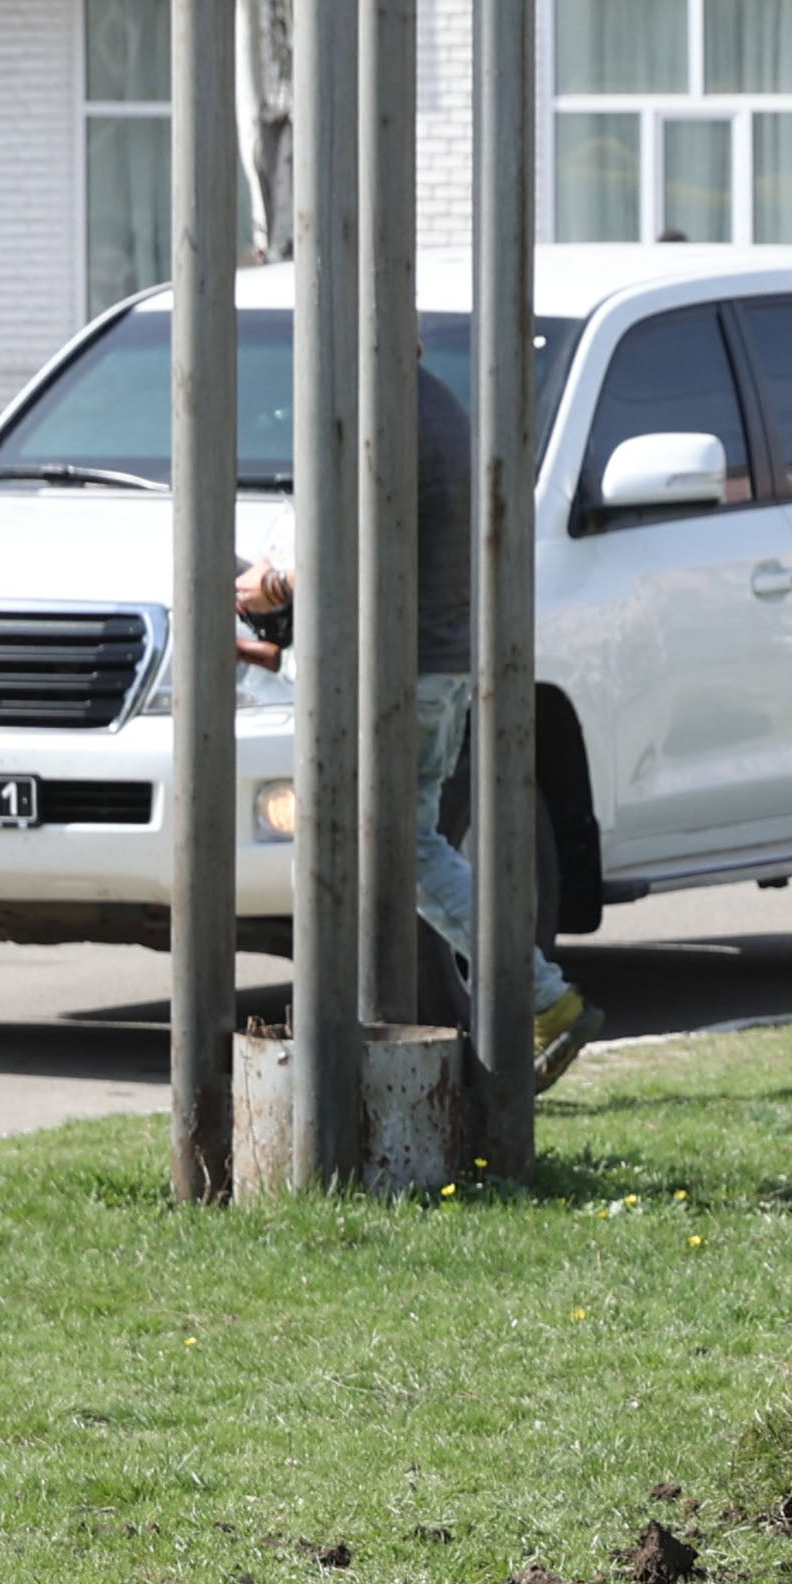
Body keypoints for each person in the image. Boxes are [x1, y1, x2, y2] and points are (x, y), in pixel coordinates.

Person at [231, 365, 603, 1090]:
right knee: (400, 846)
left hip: (406, 673)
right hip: (424, 666)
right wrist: (277, 642)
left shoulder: (388, 412)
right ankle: (523, 1002)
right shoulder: (429, 401)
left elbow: (363, 557)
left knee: (405, 848)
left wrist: (273, 585)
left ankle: (544, 997)